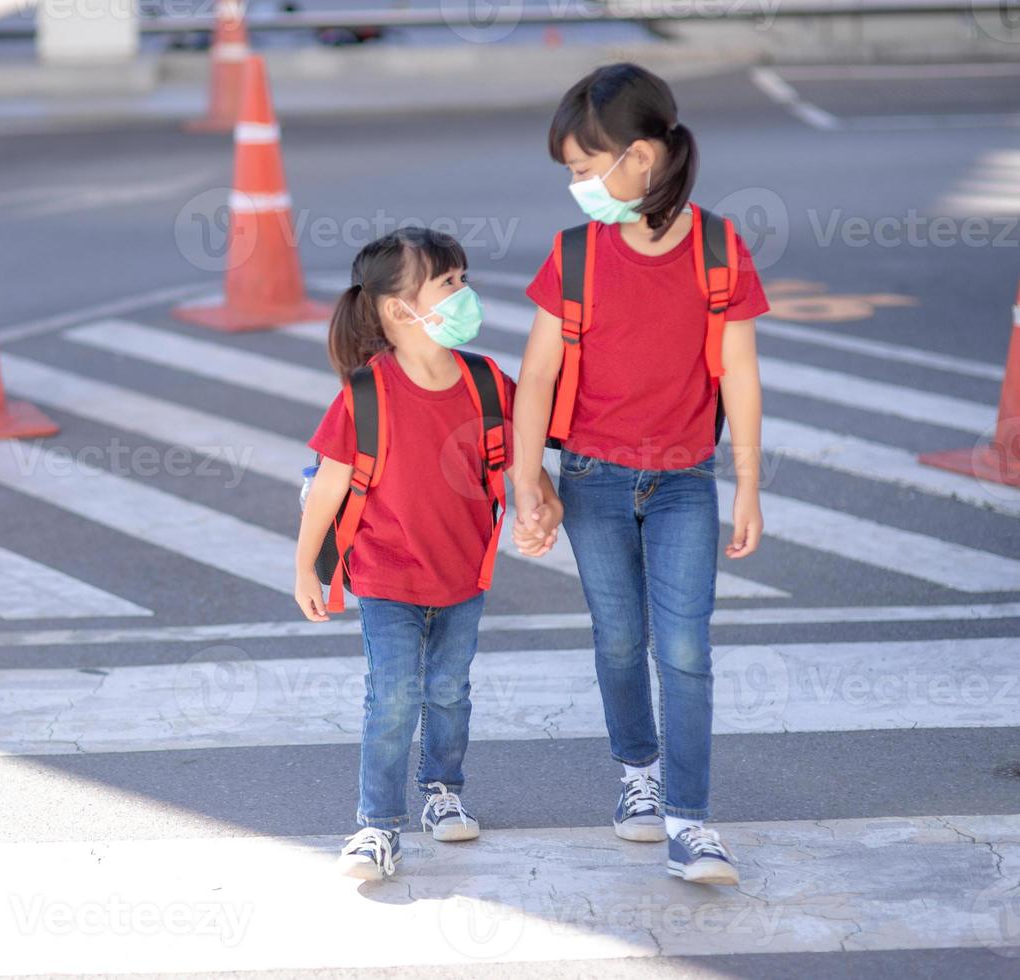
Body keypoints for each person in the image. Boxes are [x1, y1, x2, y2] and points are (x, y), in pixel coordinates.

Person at [509, 63, 768, 886]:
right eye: (572, 173)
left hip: (688, 481)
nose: (579, 185)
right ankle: (638, 776)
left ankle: (691, 822)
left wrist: (751, 485)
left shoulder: (719, 249)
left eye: (588, 168)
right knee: (621, 641)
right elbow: (538, 375)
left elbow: (740, 375)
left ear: (645, 157)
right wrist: (529, 480)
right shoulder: (575, 256)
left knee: (685, 649)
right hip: (591, 479)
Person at [295, 227, 563, 879]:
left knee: (447, 692)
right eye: (448, 284)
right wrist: (306, 566)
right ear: (397, 309)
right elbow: (327, 487)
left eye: (463, 280)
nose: (464, 294)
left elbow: (519, 461)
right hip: (386, 577)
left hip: (463, 574)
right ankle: (375, 826)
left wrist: (540, 505)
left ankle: (442, 791)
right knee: (393, 697)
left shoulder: (483, 381)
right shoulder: (367, 393)